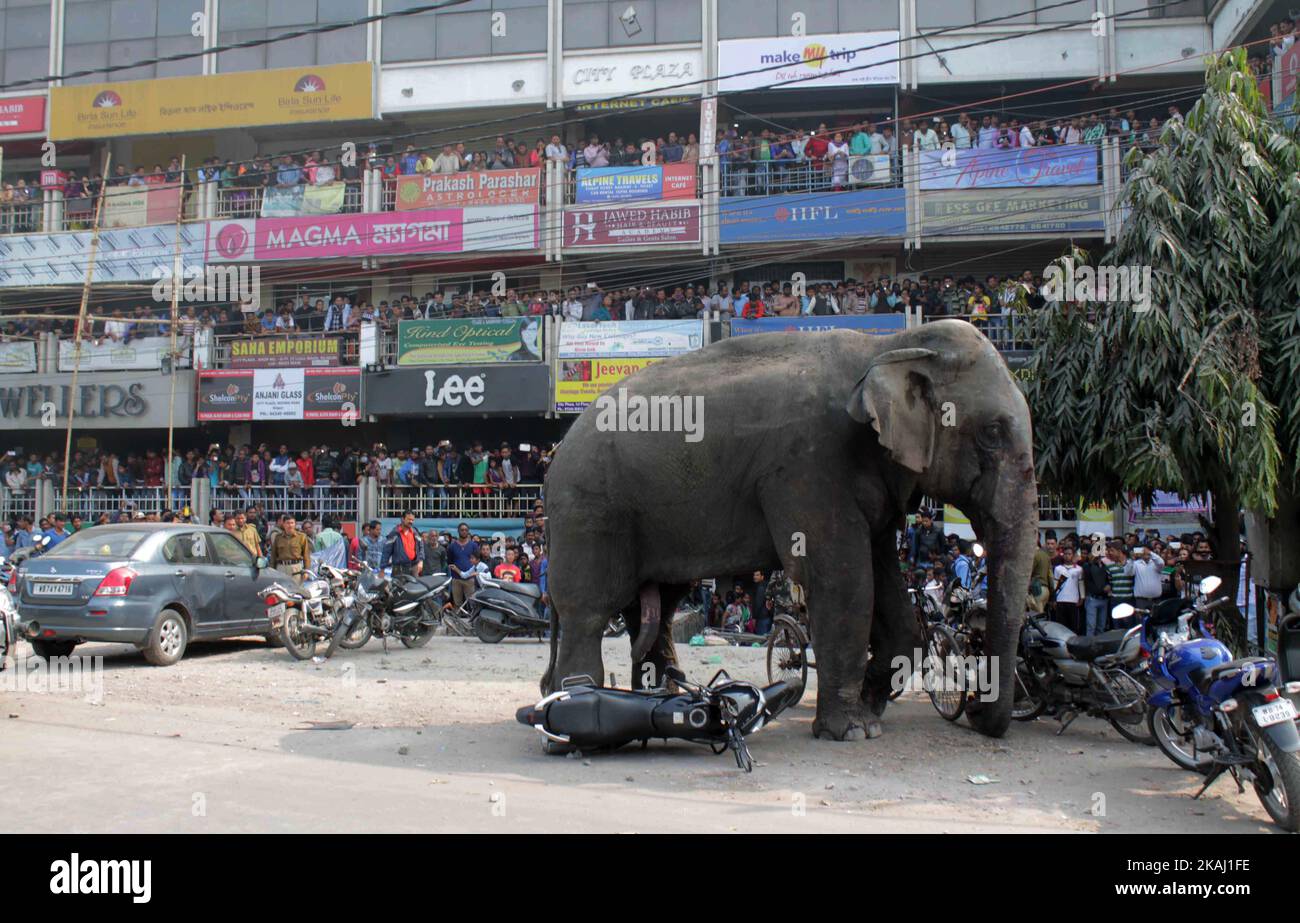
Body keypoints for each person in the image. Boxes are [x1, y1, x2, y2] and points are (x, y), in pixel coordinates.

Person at [447, 522, 481, 608]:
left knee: (472, 603)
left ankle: (472, 621)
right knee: (457, 603)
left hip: (470, 579)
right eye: (462, 530)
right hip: (456, 579)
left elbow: (477, 562)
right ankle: (457, 621)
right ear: (458, 531)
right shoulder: (452, 546)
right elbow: (450, 562)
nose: (464, 531)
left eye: (466, 530)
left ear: (468, 531)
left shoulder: (474, 545)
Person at [269, 516, 310, 583]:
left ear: (295, 524)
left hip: (296, 568)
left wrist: (306, 571)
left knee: (296, 590)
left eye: (292, 523)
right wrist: (272, 571)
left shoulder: (301, 537)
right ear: (283, 524)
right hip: (281, 568)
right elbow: (273, 556)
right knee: (281, 590)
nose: (290, 525)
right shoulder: (278, 537)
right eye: (287, 523)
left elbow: (306, 556)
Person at [1052, 547, 1084, 635]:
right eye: (1065, 554)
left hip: (1073, 600)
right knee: (1061, 625)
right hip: (1060, 600)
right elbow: (1055, 584)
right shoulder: (1058, 568)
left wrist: (1082, 597)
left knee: (1073, 626)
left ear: (1073, 555)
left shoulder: (1079, 569)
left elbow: (1081, 584)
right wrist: (1054, 599)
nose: (1067, 556)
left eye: (1069, 554)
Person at [382, 511, 423, 577]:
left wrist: (421, 561)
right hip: (399, 569)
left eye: (412, 520)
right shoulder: (394, 533)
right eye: (409, 519)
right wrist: (382, 569)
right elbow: (386, 551)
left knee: (415, 587)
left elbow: (421, 545)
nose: (411, 522)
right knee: (399, 587)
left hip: (414, 568)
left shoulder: (415, 532)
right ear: (402, 519)